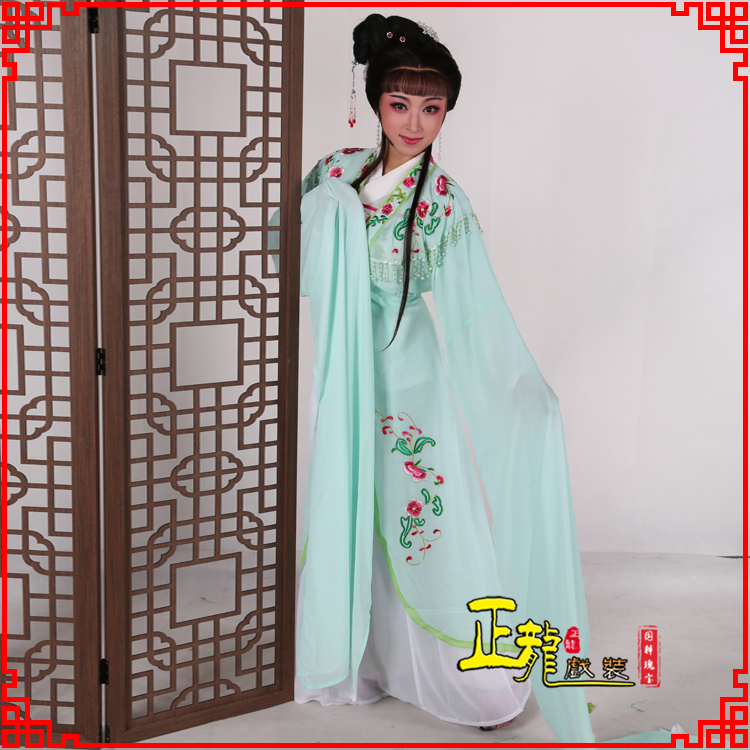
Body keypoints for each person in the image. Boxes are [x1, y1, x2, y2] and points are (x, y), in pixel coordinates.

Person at [286, 13, 594, 741]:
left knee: (425, 520)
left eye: (432, 107)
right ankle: (359, 662)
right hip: (341, 373)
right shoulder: (334, 172)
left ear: (447, 110)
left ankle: (470, 676)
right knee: (348, 505)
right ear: (375, 103)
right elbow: (289, 252)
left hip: (406, 376)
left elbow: (475, 310)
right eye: (400, 104)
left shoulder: (444, 201)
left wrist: (523, 387)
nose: (415, 122)